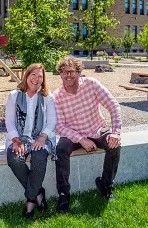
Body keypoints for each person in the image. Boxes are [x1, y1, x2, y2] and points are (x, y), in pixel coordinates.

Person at [52, 56, 122, 212]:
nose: (67, 75)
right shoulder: (56, 96)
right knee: (61, 150)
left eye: (71, 71)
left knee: (114, 145)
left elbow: (113, 105)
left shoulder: (92, 84)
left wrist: (116, 132)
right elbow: (59, 126)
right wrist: (81, 139)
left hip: (96, 129)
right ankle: (63, 193)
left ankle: (106, 184)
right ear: (60, 74)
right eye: (63, 72)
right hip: (73, 134)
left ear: (78, 72)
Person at [4, 63, 57, 219]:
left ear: (43, 79)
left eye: (40, 76)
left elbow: (52, 121)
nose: (36, 79)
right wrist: (16, 140)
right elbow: (9, 121)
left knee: (40, 156)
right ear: (26, 76)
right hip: (19, 137)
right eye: (33, 75)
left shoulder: (47, 97)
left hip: (41, 137)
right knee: (14, 158)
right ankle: (38, 192)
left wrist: (42, 137)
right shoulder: (14, 95)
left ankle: (30, 200)